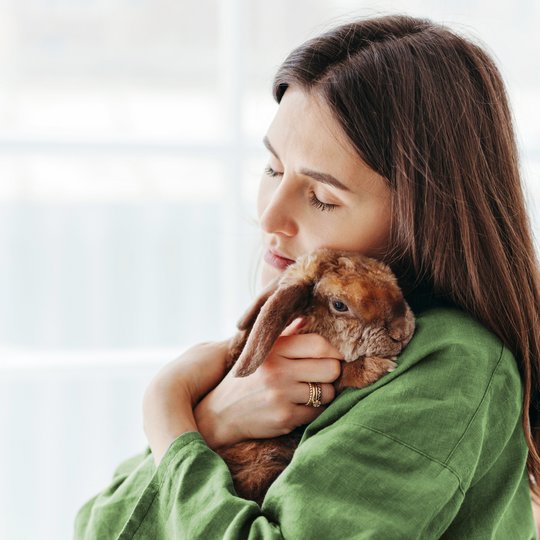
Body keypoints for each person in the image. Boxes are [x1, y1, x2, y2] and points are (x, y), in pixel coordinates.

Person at [74, 14, 540, 538]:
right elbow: (97, 526)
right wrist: (213, 423)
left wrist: (167, 405)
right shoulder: (297, 343)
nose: (270, 216)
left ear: (424, 219)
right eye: (273, 169)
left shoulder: (453, 365)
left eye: (322, 197)